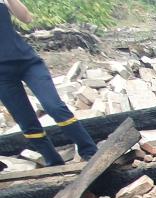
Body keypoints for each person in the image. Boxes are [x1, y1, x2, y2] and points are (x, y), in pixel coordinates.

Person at [0, 0, 98, 166]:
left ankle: (90, 152)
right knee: (26, 122)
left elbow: (26, 18)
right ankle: (54, 163)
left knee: (54, 107)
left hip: (29, 63)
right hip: (2, 76)